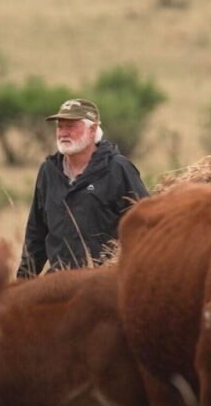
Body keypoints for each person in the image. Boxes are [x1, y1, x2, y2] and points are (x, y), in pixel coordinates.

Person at [19, 98, 149, 278]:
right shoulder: (49, 171)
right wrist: (23, 281)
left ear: (92, 129)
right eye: (60, 126)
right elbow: (36, 234)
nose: (63, 133)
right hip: (59, 282)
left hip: (103, 282)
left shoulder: (118, 169)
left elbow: (145, 224)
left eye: (71, 126)